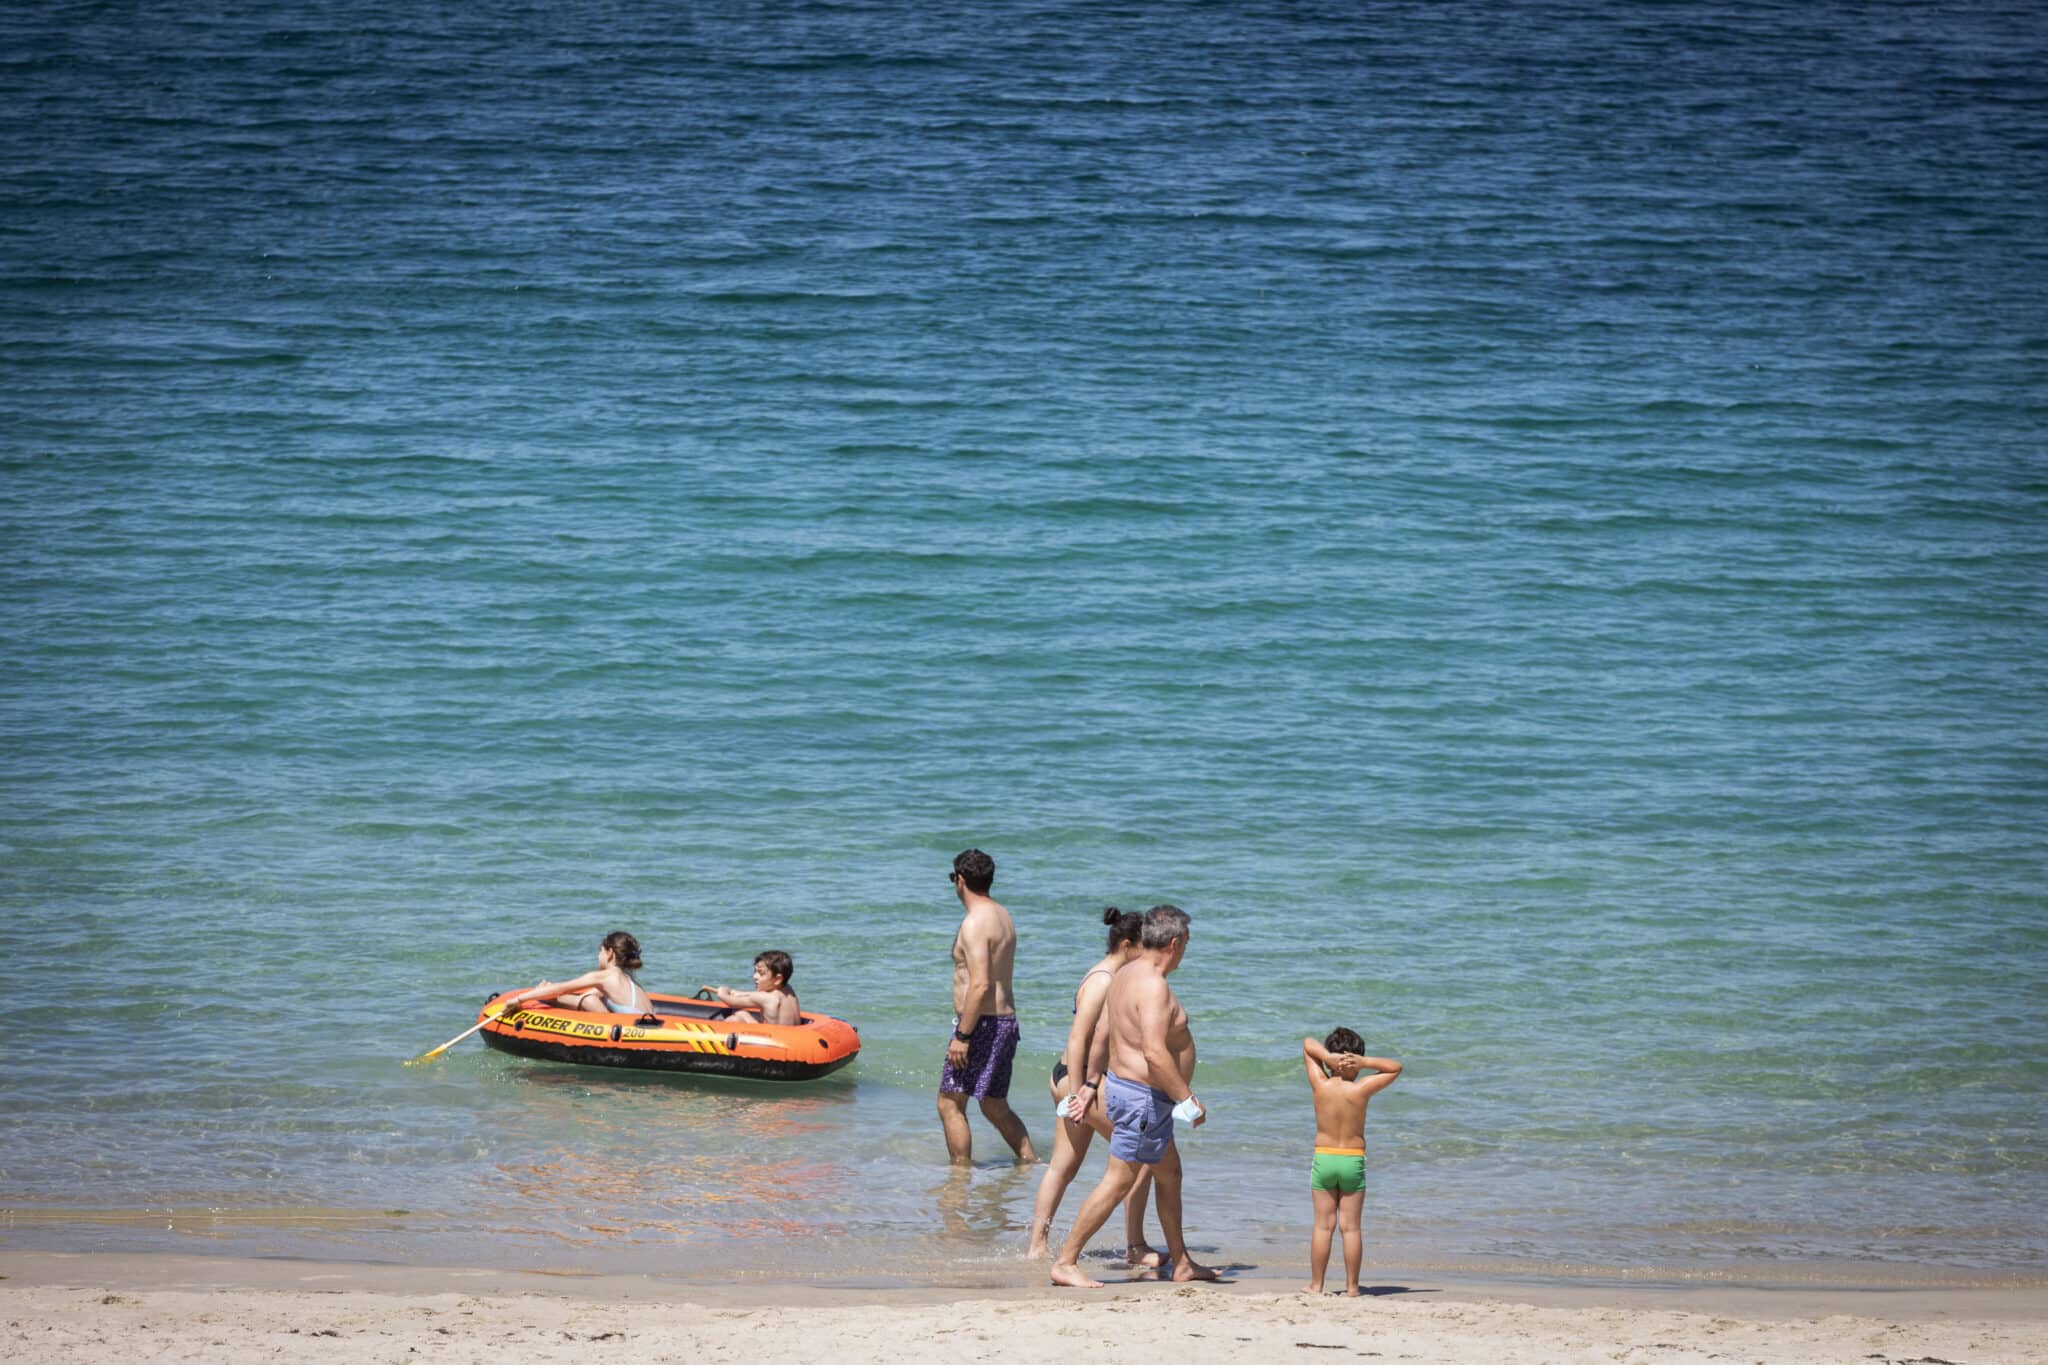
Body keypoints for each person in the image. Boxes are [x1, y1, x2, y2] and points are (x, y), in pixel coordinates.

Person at [1049, 905, 1217, 1287]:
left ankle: (1183, 1262)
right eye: (1187, 942)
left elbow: (1104, 1033)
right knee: (1118, 1181)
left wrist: (1092, 1084)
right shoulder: (1154, 985)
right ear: (1175, 943)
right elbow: (1155, 1054)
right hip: (1143, 1100)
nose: (1187, 949)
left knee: (1170, 1173)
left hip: (1134, 1096)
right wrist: (1187, 1100)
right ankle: (1066, 1261)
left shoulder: (1125, 973)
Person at [1027, 908, 1160, 1261]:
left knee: (1063, 1166)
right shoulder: (1102, 980)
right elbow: (1077, 1037)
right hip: (1079, 1078)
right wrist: (1076, 1093)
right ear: (1127, 945)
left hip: (1077, 1078)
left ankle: (1037, 1247)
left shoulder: (1114, 977)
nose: (1148, 957)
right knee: (1141, 1155)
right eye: (1144, 949)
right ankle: (1135, 1246)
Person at [937, 848, 1036, 1165]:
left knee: (950, 1102)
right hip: (1003, 1022)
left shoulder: (975, 923)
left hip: (981, 1024)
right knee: (994, 1105)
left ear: (961, 880)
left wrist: (962, 1037)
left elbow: (980, 984)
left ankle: (960, 1175)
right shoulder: (1002, 915)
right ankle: (1029, 1163)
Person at [1300, 1029, 1403, 1296]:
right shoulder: (1361, 1088)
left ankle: (1316, 1286)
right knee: (1351, 1227)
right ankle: (1352, 1287)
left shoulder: (1320, 1084)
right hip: (1352, 1161)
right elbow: (1395, 1068)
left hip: (1324, 1158)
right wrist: (1365, 1064)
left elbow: (1307, 1044)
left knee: (1323, 1225)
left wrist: (1327, 1058)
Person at [496, 931, 650, 1015]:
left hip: (633, 1033)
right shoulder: (628, 979)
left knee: (589, 1000)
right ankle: (546, 998)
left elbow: (562, 988)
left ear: (609, 953)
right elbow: (586, 997)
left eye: (600, 951)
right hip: (646, 1026)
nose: (598, 956)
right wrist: (545, 992)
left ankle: (546, 999)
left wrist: (519, 999)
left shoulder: (605, 976)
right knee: (590, 999)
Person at [712, 950, 801, 1026]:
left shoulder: (766, 998)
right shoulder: (788, 990)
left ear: (778, 979)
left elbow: (732, 1002)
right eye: (755, 971)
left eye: (761, 973)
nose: (755, 976)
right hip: (791, 1037)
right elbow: (759, 995)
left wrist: (722, 993)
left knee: (736, 1017)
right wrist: (741, 993)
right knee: (742, 1014)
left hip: (771, 1041)